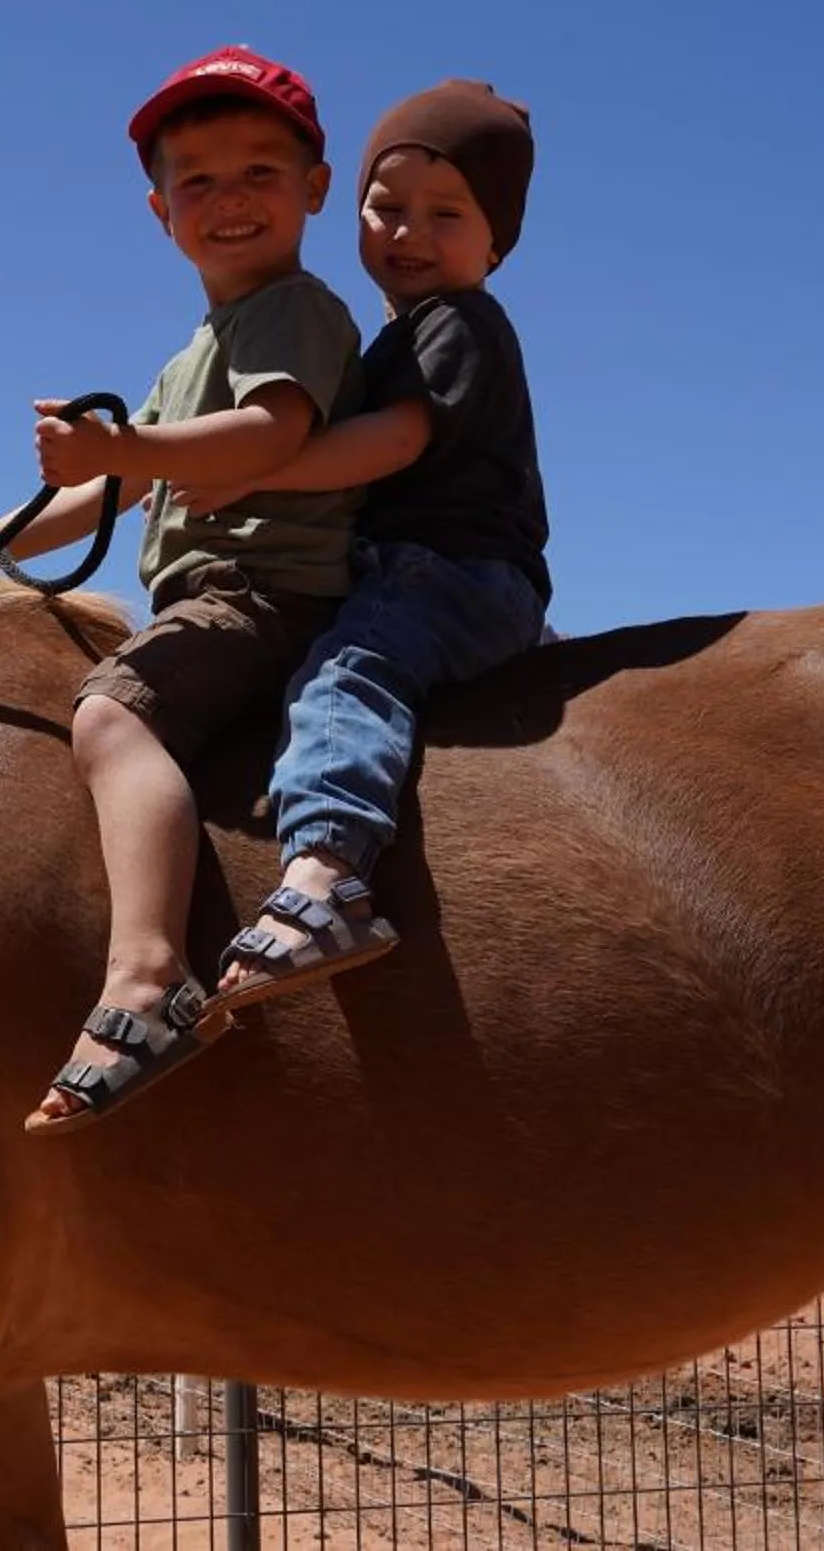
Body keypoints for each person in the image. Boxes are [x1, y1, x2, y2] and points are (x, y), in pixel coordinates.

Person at [0, 46, 369, 1134]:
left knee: (112, 716)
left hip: (267, 591)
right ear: (162, 213)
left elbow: (271, 433)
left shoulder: (293, 312)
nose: (229, 198)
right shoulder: (194, 352)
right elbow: (115, 494)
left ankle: (148, 976)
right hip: (216, 591)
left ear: (315, 189)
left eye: (259, 171)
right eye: (198, 180)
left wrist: (125, 446)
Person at [182, 78, 553, 1006]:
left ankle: (325, 878)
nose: (409, 232)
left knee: (346, 677)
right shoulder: (390, 341)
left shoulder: (459, 324)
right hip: (418, 572)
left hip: (451, 569)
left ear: (496, 242)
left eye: (446, 214)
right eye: (386, 208)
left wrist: (256, 471)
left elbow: (395, 442)